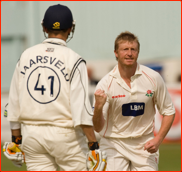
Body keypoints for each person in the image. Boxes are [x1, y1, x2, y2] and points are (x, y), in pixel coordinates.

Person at [3, 4, 106, 171]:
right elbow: (80, 108)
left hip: (32, 135)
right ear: (71, 28)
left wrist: (16, 140)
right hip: (66, 137)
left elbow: (13, 102)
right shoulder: (74, 60)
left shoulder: (26, 55)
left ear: (44, 27)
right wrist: (93, 144)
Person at [93, 31, 175, 171]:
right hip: (114, 144)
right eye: (125, 49)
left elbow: (169, 111)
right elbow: (98, 127)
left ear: (138, 52)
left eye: (133, 49)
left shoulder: (153, 78)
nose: (129, 53)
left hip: (144, 144)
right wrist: (98, 108)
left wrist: (158, 139)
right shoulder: (105, 84)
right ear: (116, 53)